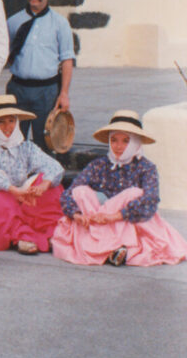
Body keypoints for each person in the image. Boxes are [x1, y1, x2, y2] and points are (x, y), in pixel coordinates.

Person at [52, 111, 187, 267]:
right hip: (97, 221)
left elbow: (150, 200)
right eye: (114, 140)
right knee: (80, 192)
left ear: (135, 142)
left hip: (127, 220)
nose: (118, 146)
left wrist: (116, 216)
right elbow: (70, 192)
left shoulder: (146, 167)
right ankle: (108, 247)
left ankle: (110, 248)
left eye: (125, 141)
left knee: (134, 194)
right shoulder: (99, 165)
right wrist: (76, 215)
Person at [0, 95, 65, 255]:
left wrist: (43, 185)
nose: (7, 127)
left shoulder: (26, 146)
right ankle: (22, 236)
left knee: (52, 186)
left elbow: (54, 166)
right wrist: (12, 189)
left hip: (23, 195)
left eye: (11, 121)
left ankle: (48, 232)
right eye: (1, 122)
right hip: (0, 194)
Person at [6, 0, 75, 149]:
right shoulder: (13, 22)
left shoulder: (60, 24)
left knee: (44, 143)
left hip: (47, 92)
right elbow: (3, 53)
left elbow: (67, 60)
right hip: (18, 90)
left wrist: (64, 93)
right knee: (12, 141)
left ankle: (42, 178)